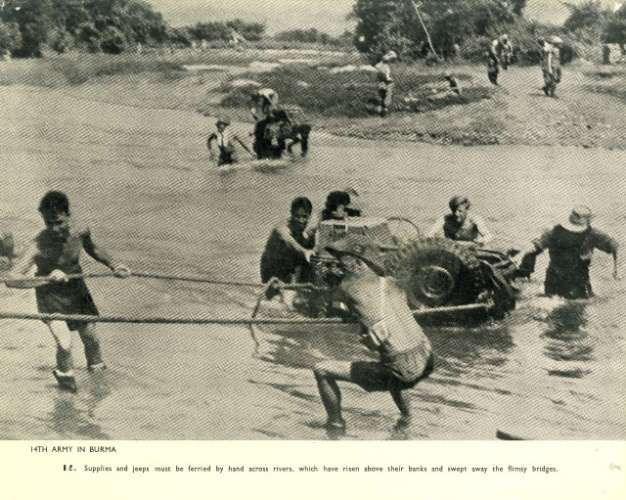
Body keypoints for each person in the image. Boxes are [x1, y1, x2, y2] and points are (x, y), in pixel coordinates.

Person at [7, 191, 130, 392]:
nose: (54, 229)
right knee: (64, 343)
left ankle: (98, 388)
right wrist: (47, 279)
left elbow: (93, 249)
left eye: (58, 222)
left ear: (68, 215)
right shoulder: (38, 244)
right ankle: (65, 389)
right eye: (48, 223)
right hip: (50, 294)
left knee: (91, 339)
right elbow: (11, 279)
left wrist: (114, 265)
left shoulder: (80, 231)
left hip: (76, 288)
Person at [313, 234, 434, 437]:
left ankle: (335, 425)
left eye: (342, 264)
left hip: (401, 368)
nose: (338, 268)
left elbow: (328, 307)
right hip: (426, 355)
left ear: (358, 264)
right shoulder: (392, 282)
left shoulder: (347, 288)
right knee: (393, 359)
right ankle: (406, 420)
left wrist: (326, 290)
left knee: (321, 369)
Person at [513, 206, 619, 299]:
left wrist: (521, 264)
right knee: (578, 305)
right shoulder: (592, 233)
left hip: (557, 279)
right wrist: (615, 269)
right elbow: (613, 246)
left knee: (553, 302)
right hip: (574, 280)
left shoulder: (555, 230)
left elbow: (535, 247)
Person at [260, 197, 316, 299]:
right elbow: (289, 242)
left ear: (309, 216)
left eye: (304, 217)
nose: (301, 220)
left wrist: (311, 240)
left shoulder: (309, 229)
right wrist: (305, 252)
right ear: (291, 213)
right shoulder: (281, 228)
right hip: (272, 269)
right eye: (297, 216)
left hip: (291, 268)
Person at [427, 196, 493, 245]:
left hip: (470, 249)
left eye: (460, 211)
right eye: (453, 211)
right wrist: (432, 238)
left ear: (467, 210)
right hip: (451, 250)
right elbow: (429, 234)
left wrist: (482, 241)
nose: (456, 214)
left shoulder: (475, 219)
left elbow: (489, 236)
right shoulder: (445, 219)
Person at [374, 50, 397, 117]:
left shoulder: (379, 65)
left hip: (381, 82)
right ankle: (384, 111)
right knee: (386, 96)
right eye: (391, 60)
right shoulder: (384, 66)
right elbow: (385, 76)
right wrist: (389, 79)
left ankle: (383, 111)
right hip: (386, 82)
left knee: (382, 96)